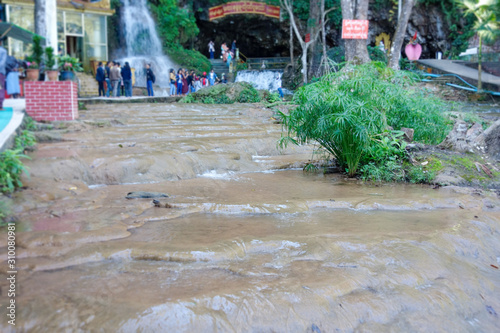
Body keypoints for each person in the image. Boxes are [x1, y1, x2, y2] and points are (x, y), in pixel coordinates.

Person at [0, 38, 7, 109]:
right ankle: (0, 105)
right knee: (0, 88)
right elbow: (2, 62)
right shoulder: (3, 51)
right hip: (0, 72)